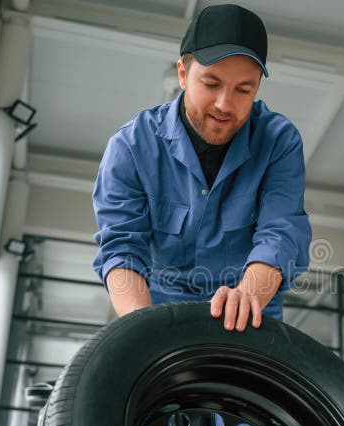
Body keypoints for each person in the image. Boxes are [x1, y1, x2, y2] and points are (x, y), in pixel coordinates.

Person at [92, 4, 311, 332]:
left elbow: (281, 235)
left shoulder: (279, 142)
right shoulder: (131, 147)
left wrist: (246, 296)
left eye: (243, 90)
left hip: (248, 322)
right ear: (183, 73)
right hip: (159, 318)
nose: (225, 104)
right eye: (211, 84)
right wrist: (142, 328)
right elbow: (122, 248)